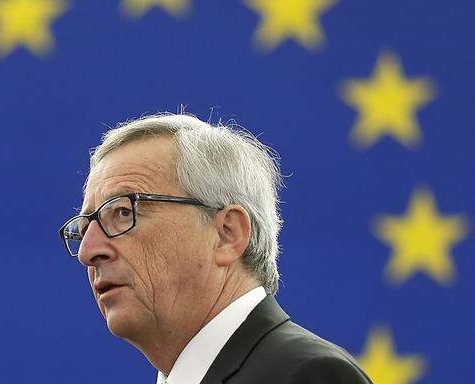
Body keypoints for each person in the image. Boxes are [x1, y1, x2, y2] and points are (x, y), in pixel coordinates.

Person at [58, 113, 373, 384]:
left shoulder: (305, 375)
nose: (88, 251)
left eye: (123, 212)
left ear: (226, 234)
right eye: (84, 229)